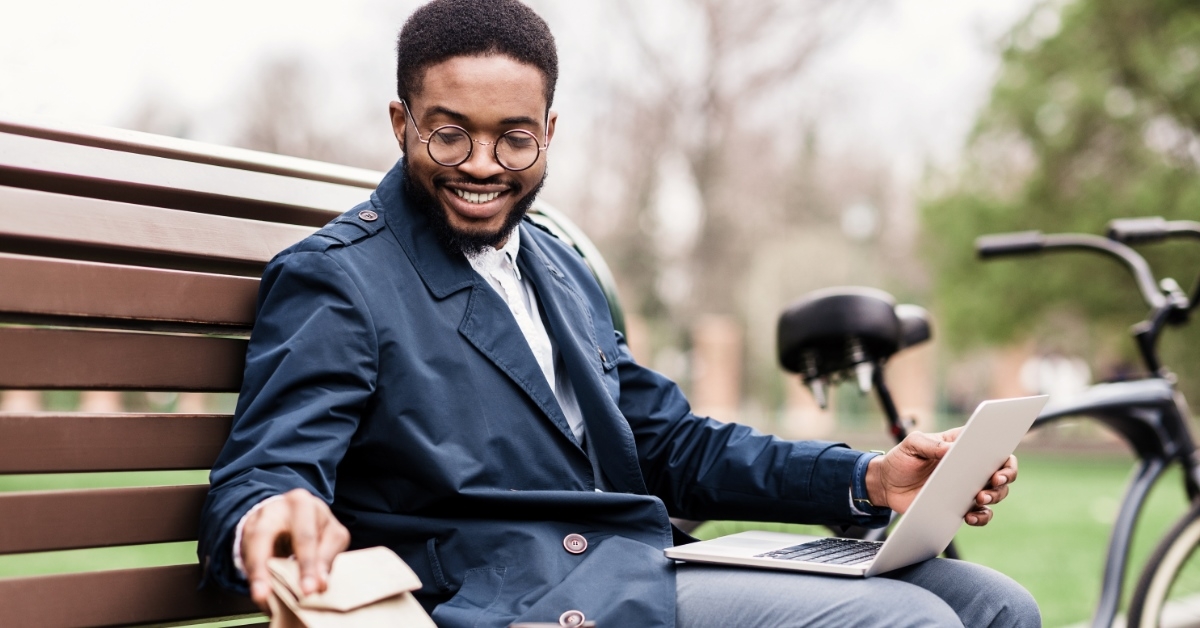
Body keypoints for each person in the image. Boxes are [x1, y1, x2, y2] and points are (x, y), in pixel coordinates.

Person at [198, 1, 1040, 626]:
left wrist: (868, 479)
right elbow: (264, 474)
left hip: (630, 563)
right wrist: (270, 516)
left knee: (995, 604)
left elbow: (670, 444)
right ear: (401, 123)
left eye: (514, 139)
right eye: (449, 135)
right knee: (910, 623)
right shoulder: (339, 279)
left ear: (550, 132)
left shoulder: (556, 267)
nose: (482, 166)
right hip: (514, 600)